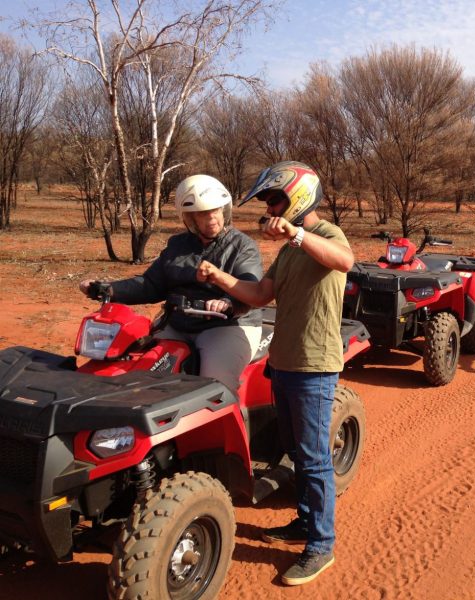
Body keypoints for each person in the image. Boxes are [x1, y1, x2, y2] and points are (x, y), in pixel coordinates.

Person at [196, 161, 353, 586]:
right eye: (267, 201)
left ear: (300, 196)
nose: (271, 207)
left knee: (315, 457)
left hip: (314, 365)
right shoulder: (287, 252)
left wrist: (297, 235)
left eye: (275, 198)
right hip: (282, 363)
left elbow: (344, 261)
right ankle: (304, 521)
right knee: (297, 451)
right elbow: (261, 294)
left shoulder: (325, 235)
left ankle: (321, 546)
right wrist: (220, 278)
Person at [79, 174, 263, 392]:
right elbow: (150, 284)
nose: (212, 218)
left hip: (225, 326)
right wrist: (108, 288)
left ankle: (226, 422)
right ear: (189, 218)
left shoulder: (243, 246)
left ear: (225, 209)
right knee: (139, 370)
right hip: (177, 324)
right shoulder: (177, 246)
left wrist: (228, 302)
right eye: (203, 213)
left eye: (215, 210)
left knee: (215, 387)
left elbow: (250, 284)